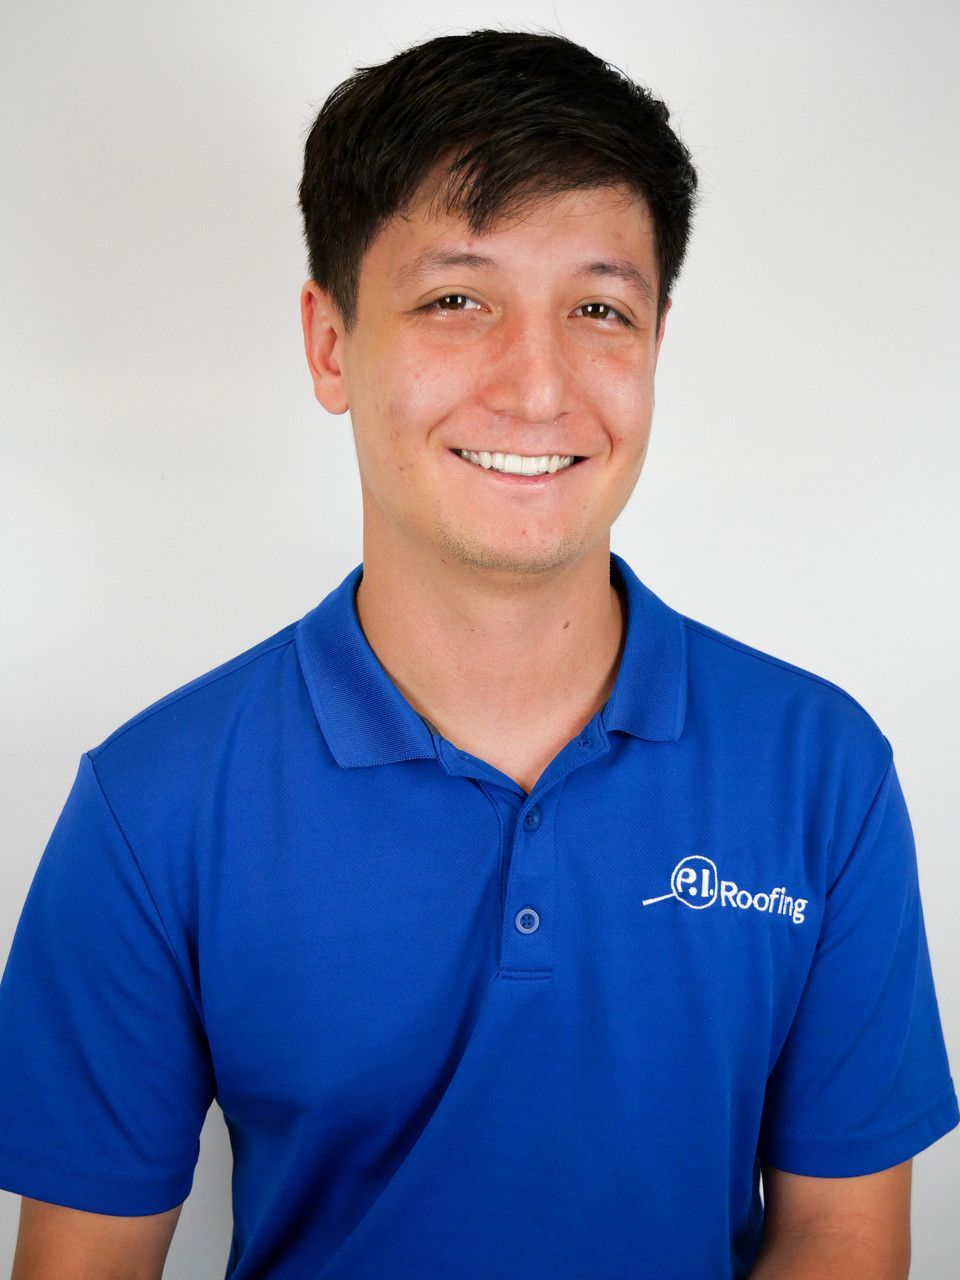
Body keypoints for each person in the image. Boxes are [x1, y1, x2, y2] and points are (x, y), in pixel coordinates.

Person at [0, 27, 956, 1280]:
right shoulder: (151, 807)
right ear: (332, 343)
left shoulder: (822, 768)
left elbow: (840, 1235)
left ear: (656, 343)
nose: (541, 384)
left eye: (599, 309)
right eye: (458, 298)